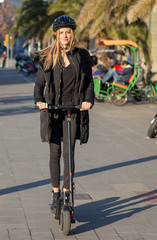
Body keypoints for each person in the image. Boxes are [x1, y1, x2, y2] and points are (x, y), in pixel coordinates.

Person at [33, 15, 94, 219]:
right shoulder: (48, 56)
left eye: (68, 32)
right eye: (61, 33)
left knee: (69, 153)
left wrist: (88, 100)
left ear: (72, 34)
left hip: (74, 110)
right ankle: (56, 192)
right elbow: (39, 85)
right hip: (53, 110)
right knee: (55, 152)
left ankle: (68, 193)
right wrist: (40, 101)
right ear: (56, 36)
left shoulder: (82, 55)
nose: (65, 35)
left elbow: (89, 84)